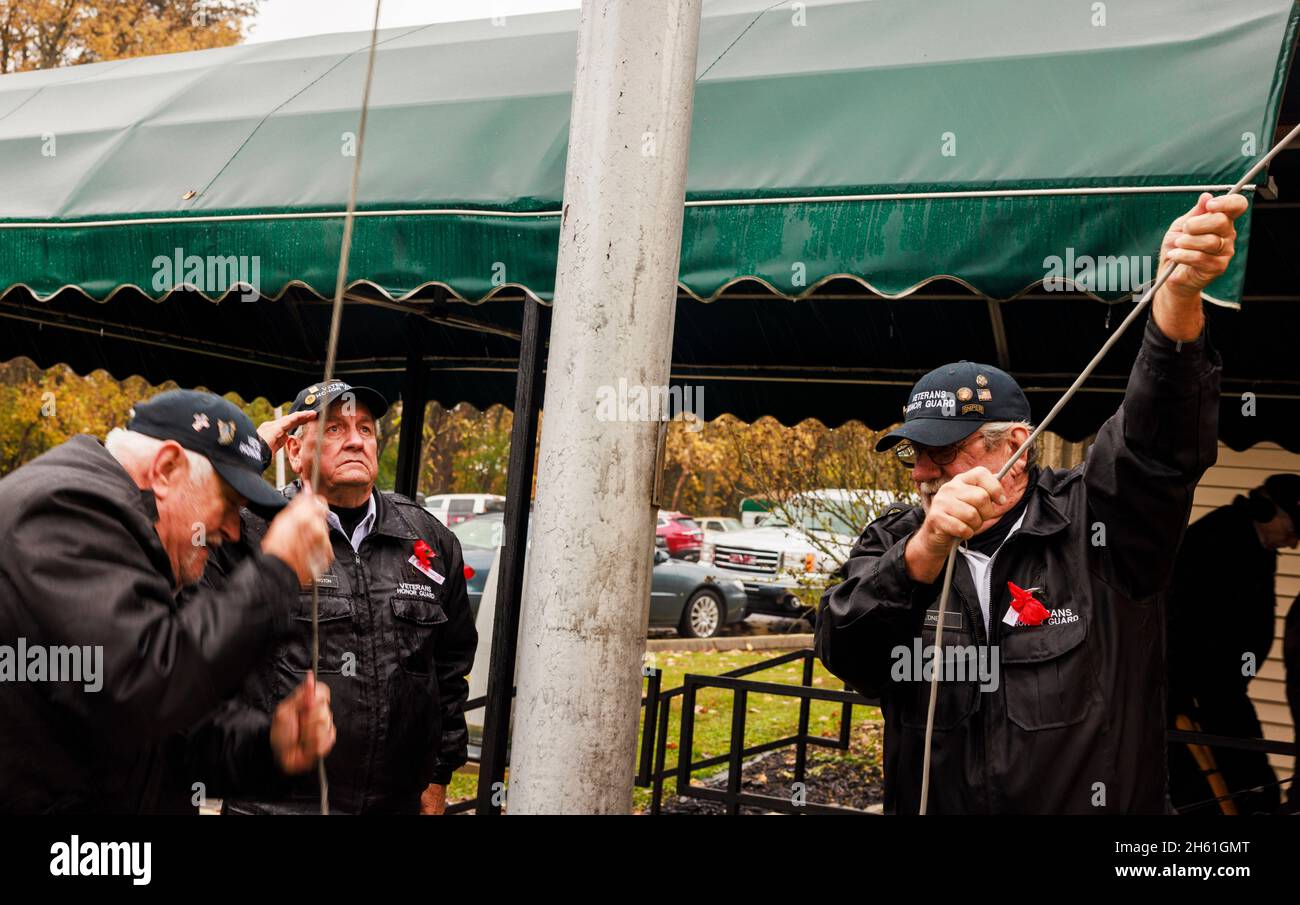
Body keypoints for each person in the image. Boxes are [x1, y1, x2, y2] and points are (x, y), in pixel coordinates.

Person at [815, 192, 1246, 813]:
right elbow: (842, 648)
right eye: (914, 454)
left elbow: (1158, 446)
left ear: (1015, 445)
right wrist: (924, 551)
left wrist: (1176, 298)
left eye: (947, 451)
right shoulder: (897, 541)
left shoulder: (1096, 521)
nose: (926, 474)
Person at [0, 390, 336, 813]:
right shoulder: (64, 508)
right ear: (166, 469)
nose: (233, 531)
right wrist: (277, 572)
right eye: (230, 505)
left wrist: (270, 746)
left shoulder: (128, 529)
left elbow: (164, 736)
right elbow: (139, 689)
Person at [193, 381, 477, 814]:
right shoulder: (248, 531)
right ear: (293, 450)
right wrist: (249, 456)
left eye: (365, 428)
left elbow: (450, 669)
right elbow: (175, 555)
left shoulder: (428, 539)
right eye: (334, 429)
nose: (356, 441)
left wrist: (438, 777)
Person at [1166, 474, 1299, 814]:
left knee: (1258, 787)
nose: (1294, 542)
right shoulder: (1216, 539)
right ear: (1265, 510)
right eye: (1293, 528)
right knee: (1220, 792)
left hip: (1224, 691)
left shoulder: (1259, 545)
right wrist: (1190, 695)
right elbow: (1181, 619)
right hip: (1194, 696)